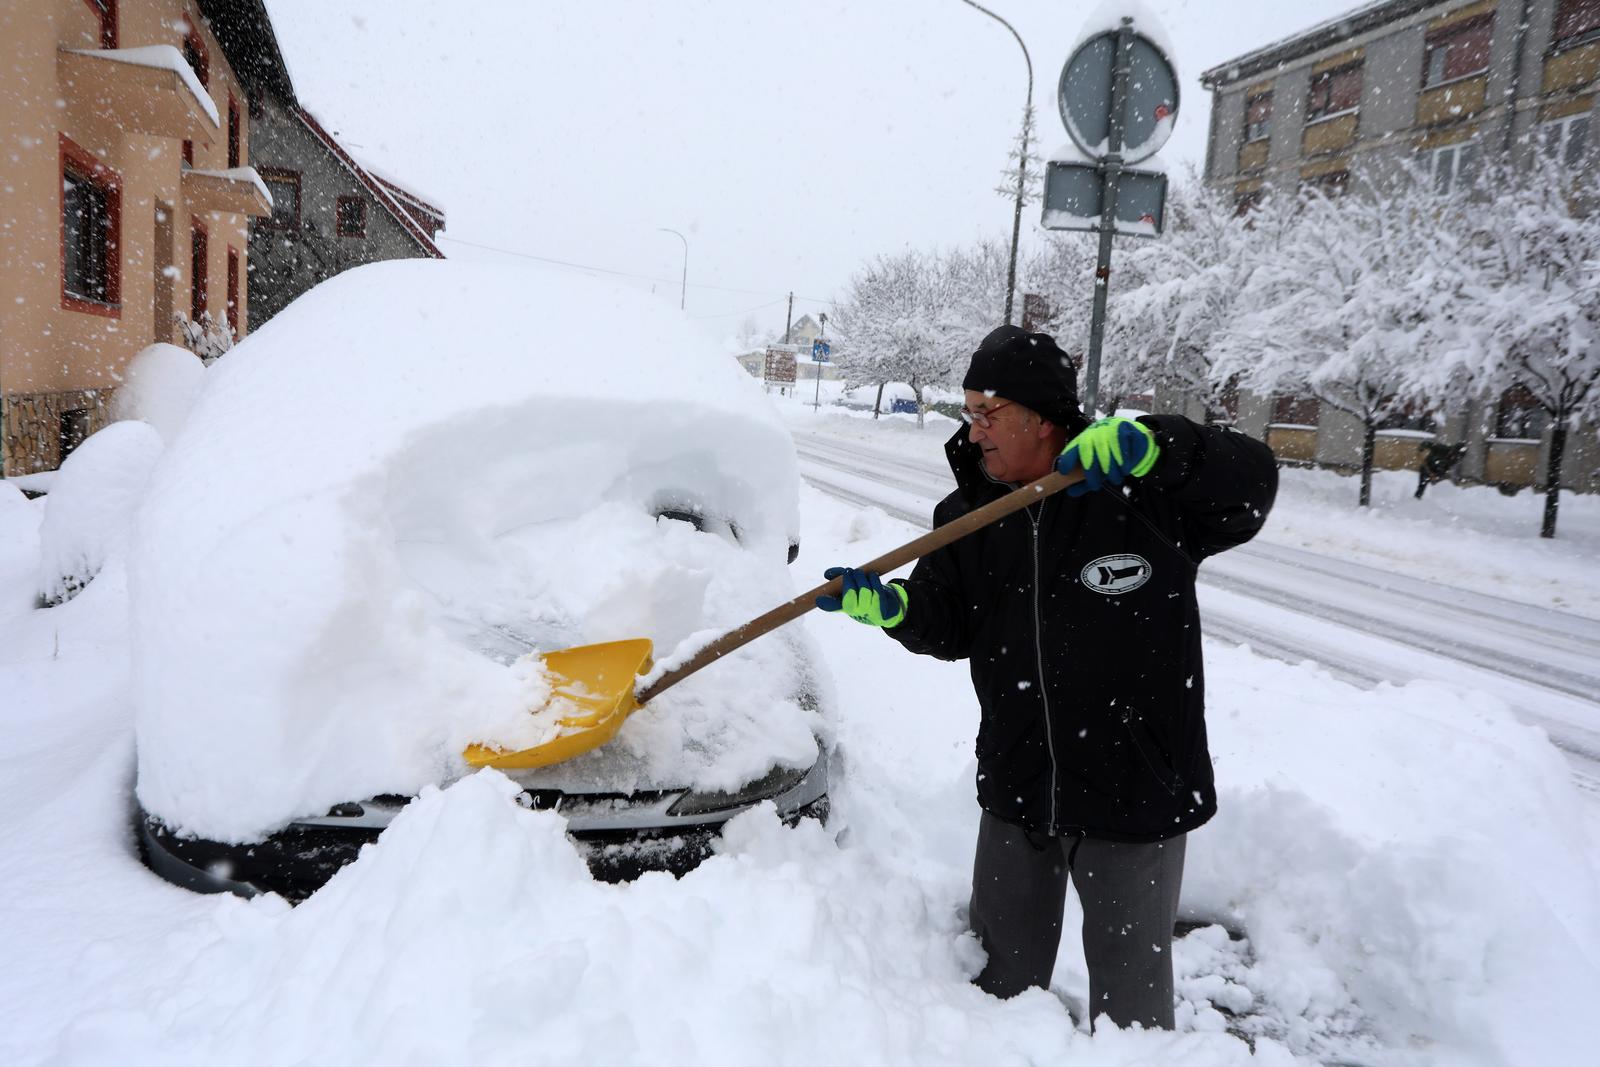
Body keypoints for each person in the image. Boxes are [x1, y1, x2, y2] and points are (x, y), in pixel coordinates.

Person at [816, 326, 1279, 1031]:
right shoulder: (970, 512)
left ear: (1041, 416)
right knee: (992, 993)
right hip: (1019, 785)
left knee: (1134, 1018)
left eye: (987, 413)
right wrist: (898, 609)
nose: (972, 433)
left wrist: (1161, 447)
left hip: (1136, 792)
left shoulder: (1142, 496)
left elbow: (1252, 483)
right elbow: (950, 620)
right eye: (968, 413)